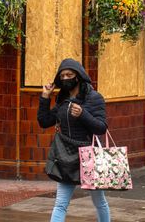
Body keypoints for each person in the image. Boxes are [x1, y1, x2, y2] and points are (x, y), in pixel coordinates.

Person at [38, 58, 110, 222]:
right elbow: (44, 121)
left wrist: (83, 114)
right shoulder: (63, 100)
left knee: (99, 202)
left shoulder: (94, 98)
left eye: (69, 75)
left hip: (89, 156)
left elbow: (101, 128)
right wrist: (45, 97)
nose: (65, 79)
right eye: (62, 76)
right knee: (60, 204)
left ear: (78, 76)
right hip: (67, 156)